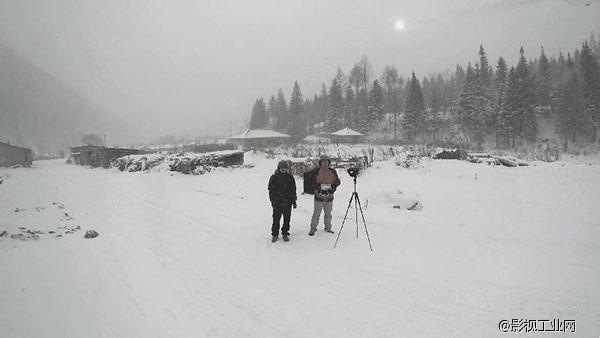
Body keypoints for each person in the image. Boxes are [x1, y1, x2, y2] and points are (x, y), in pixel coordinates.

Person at [307, 154, 340, 236]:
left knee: (328, 214)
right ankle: (313, 228)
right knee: (316, 214)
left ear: (329, 162)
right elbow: (310, 182)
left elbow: (338, 182)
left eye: (326, 161)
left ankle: (328, 228)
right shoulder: (315, 171)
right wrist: (317, 187)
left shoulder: (332, 171)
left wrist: (333, 187)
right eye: (323, 161)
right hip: (318, 197)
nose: (325, 163)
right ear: (320, 162)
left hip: (329, 197)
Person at [268, 160, 297, 242]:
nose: (283, 169)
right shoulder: (274, 177)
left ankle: (285, 233)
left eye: (284, 168)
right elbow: (271, 190)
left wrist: (294, 200)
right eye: (281, 168)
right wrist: (273, 201)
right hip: (277, 203)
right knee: (276, 219)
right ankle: (275, 234)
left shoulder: (290, 177)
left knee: (287, 219)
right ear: (279, 168)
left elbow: (293, 189)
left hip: (287, 202)